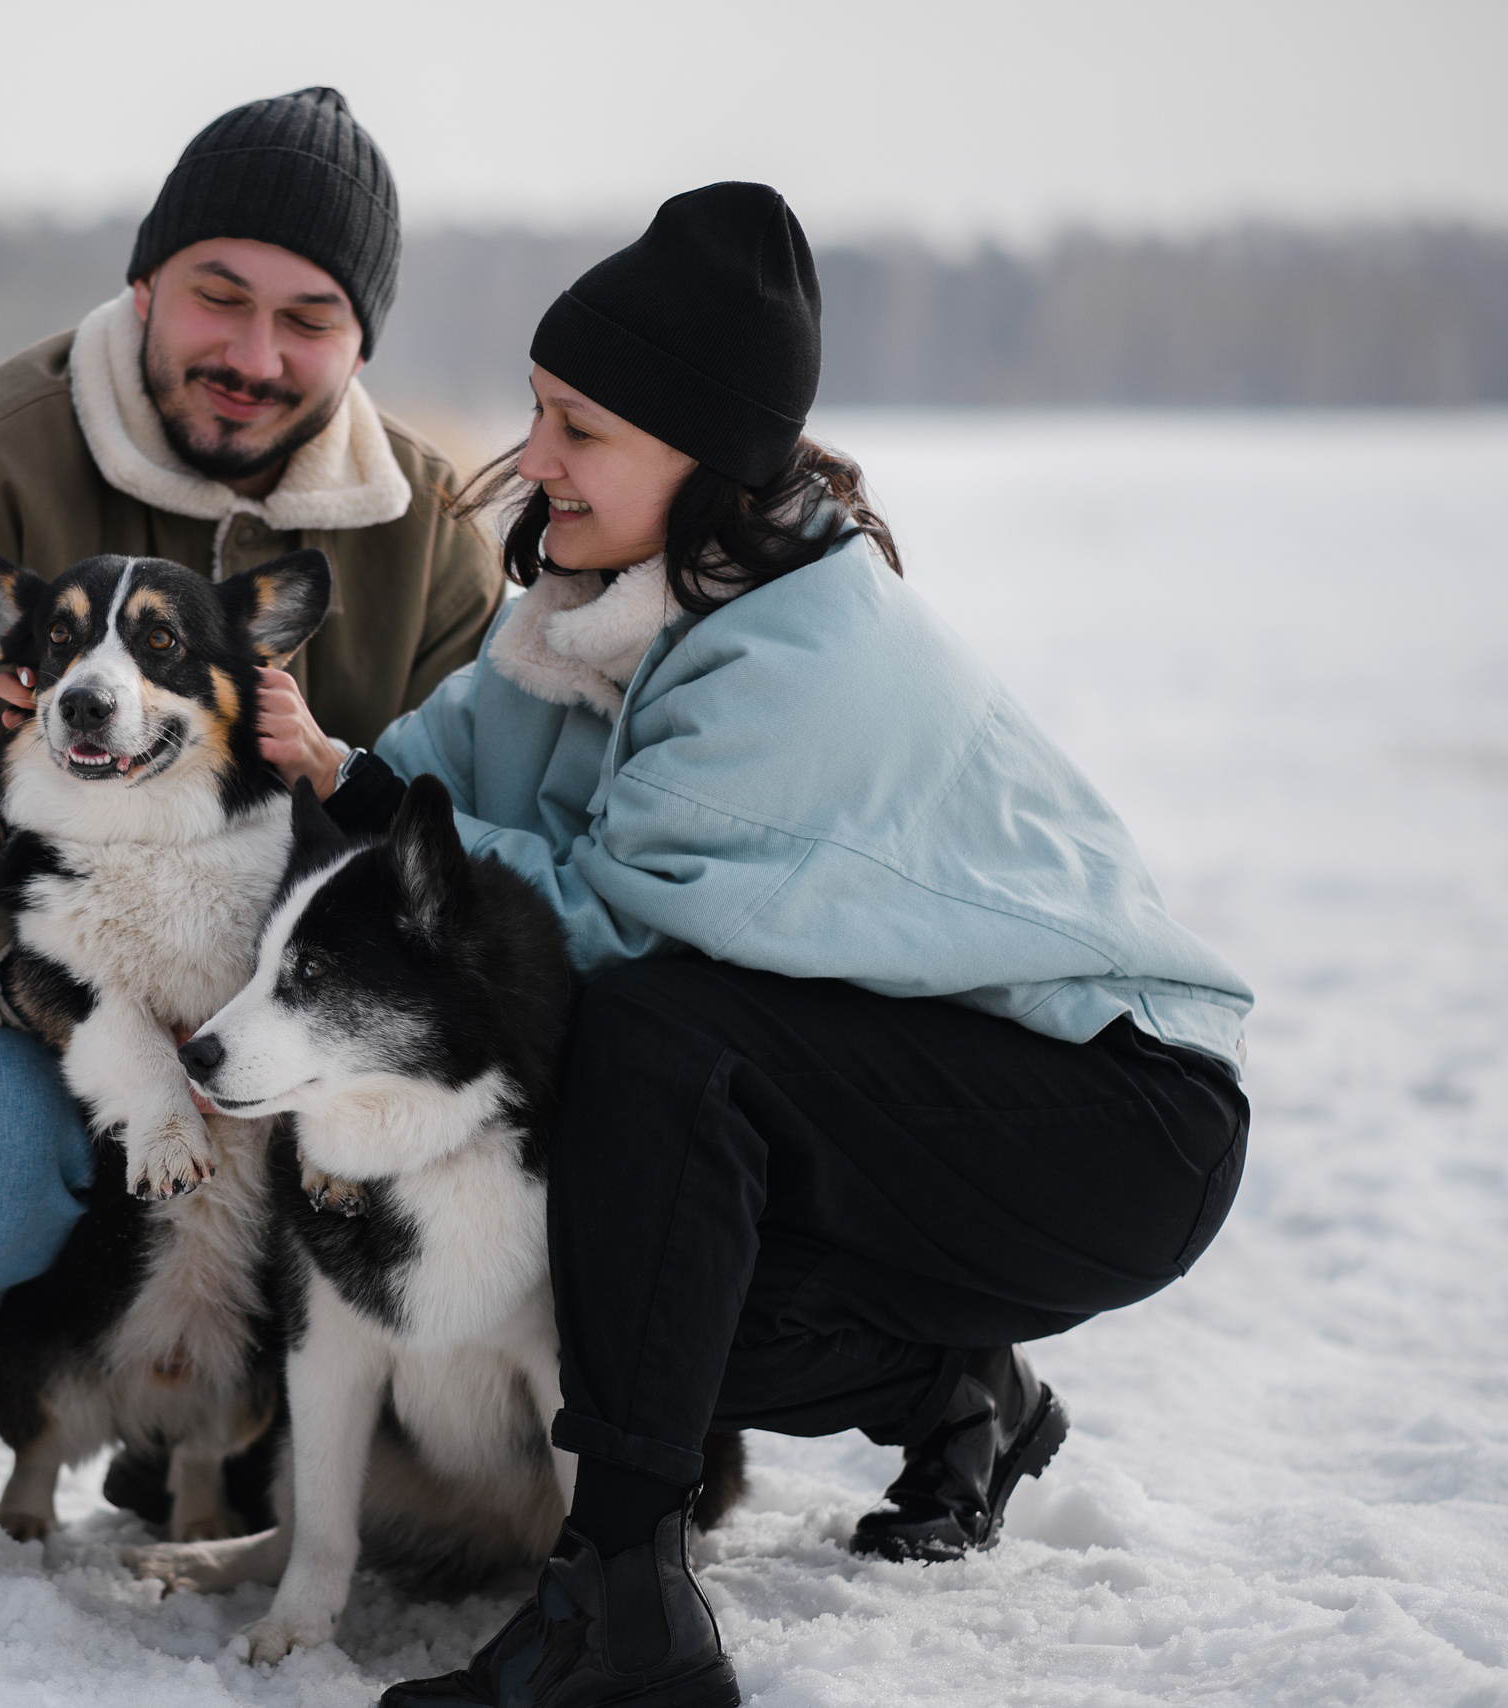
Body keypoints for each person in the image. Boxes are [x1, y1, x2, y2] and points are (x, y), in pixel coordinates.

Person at [253, 184, 1253, 1708]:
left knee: (656, 1045)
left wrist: (378, 817)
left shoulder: (794, 656)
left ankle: (623, 1612)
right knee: (634, 1286)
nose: (538, 458)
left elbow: (583, 936)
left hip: (1116, 1117)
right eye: (536, 410)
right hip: (923, 1090)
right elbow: (419, 790)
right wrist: (290, 777)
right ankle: (960, 1396)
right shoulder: (592, 605)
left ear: (702, 454)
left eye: (582, 428)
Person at [0, 86, 502, 1561]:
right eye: (220, 296)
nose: (255, 355)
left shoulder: (425, 531)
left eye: (309, 320)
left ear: (360, 346)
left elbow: (458, 826)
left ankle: (247, 1411)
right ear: (145, 284)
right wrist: (52, 994)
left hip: (252, 995)